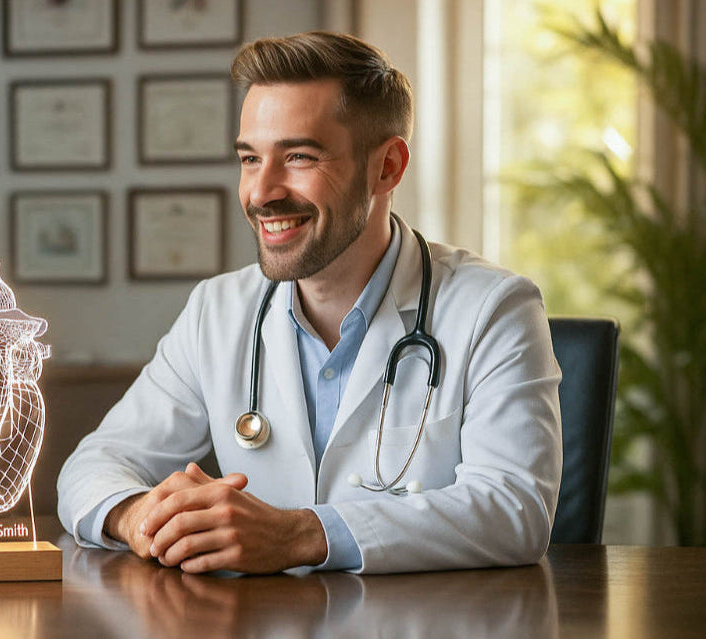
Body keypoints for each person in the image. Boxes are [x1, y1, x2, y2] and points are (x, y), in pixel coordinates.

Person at [58, 31, 562, 575]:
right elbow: (94, 465)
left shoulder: (495, 309)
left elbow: (515, 509)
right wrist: (140, 516)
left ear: (388, 167)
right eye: (250, 159)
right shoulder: (218, 310)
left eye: (298, 155)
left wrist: (299, 534)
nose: (261, 192)